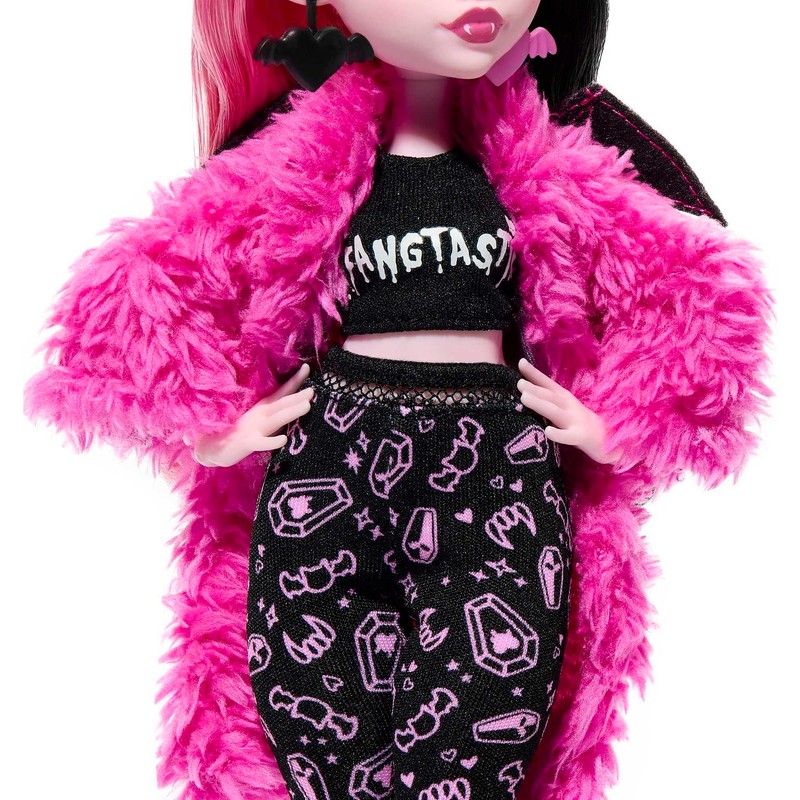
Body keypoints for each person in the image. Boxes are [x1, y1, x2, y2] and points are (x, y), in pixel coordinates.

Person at [22, 1, 774, 798]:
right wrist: (212, 426)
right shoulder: (292, 163)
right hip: (332, 467)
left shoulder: (553, 165)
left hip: (497, 475)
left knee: (481, 735)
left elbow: (696, 290)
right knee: (323, 733)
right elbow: (139, 289)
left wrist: (621, 423)